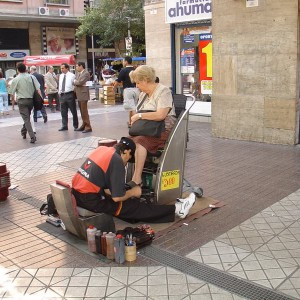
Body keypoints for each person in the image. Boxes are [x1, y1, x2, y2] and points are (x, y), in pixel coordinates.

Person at [72, 137, 196, 223]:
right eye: (128, 160)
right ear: (126, 152)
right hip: (90, 200)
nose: (126, 164)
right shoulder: (116, 160)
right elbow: (117, 198)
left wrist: (123, 189)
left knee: (125, 204)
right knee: (132, 207)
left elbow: (101, 181)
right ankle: (178, 209)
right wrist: (134, 192)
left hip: (77, 194)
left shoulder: (102, 150)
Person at [128, 65, 176, 187]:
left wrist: (139, 117)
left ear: (145, 80)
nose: (136, 86)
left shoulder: (163, 91)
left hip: (162, 129)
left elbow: (161, 115)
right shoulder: (143, 95)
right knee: (125, 144)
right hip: (147, 129)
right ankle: (115, 177)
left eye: (138, 83)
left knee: (140, 141)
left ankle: (136, 178)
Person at [8, 62, 41, 143]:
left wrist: (13, 100)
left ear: (18, 70)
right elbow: (38, 88)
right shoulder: (32, 77)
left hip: (21, 101)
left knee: (26, 119)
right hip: (31, 100)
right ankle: (23, 131)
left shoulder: (16, 79)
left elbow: (11, 92)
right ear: (26, 69)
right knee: (27, 117)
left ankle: (32, 136)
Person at [113, 56, 140, 127]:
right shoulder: (136, 70)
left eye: (123, 61)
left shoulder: (123, 70)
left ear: (126, 62)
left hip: (128, 90)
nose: (122, 62)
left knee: (131, 107)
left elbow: (118, 81)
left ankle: (136, 123)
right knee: (134, 106)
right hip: (137, 89)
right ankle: (131, 122)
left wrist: (114, 89)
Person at [58, 63, 78, 131]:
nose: (61, 70)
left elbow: (75, 84)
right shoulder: (61, 76)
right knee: (63, 112)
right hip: (62, 94)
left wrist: (74, 93)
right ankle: (64, 125)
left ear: (67, 68)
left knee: (73, 111)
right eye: (61, 68)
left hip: (69, 94)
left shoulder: (72, 75)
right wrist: (59, 92)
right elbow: (60, 85)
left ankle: (75, 125)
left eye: (63, 68)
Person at [74, 62, 92, 133]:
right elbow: (78, 82)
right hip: (79, 94)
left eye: (77, 66)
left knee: (84, 111)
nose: (76, 68)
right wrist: (76, 82)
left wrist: (75, 82)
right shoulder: (79, 73)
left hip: (83, 95)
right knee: (82, 111)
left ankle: (88, 126)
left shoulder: (86, 73)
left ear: (81, 66)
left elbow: (80, 82)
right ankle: (84, 124)